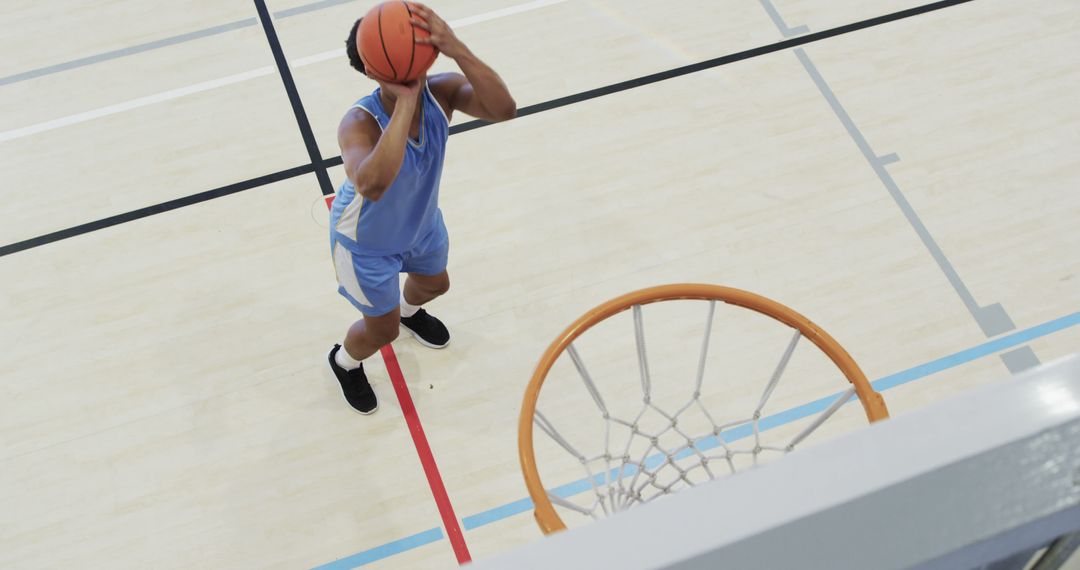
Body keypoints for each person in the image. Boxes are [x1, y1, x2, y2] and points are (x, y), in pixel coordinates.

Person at [327, 4, 516, 414]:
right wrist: (406, 100)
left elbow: (504, 109)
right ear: (373, 71)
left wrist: (456, 47)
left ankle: (412, 312)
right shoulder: (358, 122)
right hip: (365, 243)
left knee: (435, 285)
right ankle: (345, 362)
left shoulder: (443, 91)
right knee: (382, 329)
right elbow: (373, 184)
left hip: (421, 225)